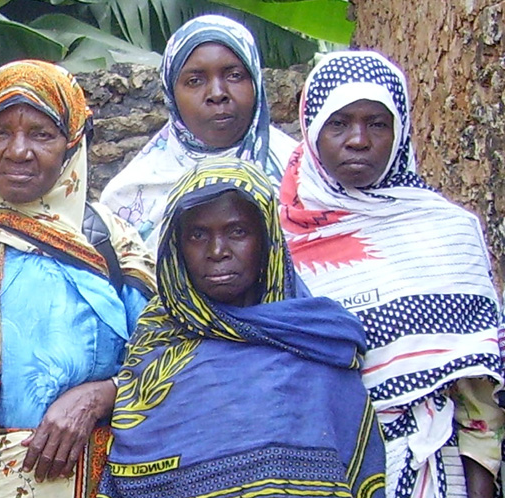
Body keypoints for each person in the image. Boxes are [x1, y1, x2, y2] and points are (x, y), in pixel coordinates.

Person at [0, 59, 156, 498]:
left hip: (99, 480)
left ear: (73, 143)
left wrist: (102, 395)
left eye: (41, 133)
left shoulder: (111, 241)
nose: (18, 151)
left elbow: (167, 357)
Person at [279, 50, 505, 498]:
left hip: (438, 474)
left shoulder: (449, 231)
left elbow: (481, 393)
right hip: (320, 472)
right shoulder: (278, 240)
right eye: (338, 123)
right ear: (311, 130)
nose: (358, 140)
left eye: (377, 124)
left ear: (400, 131)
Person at [97, 157, 386, 498]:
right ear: (176, 247)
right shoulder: (156, 344)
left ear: (267, 241)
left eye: (237, 232)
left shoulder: (315, 341)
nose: (217, 251)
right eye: (197, 235)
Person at [99, 14, 297, 252]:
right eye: (194, 81)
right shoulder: (127, 196)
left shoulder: (304, 176)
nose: (217, 93)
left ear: (255, 81)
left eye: (234, 76)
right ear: (171, 93)